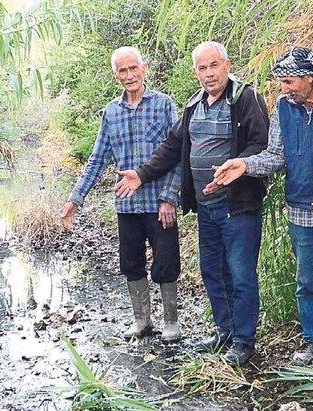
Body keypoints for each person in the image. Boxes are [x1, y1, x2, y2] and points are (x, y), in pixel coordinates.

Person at [208, 47, 313, 382]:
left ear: (310, 78)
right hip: (302, 212)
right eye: (282, 82)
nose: (284, 88)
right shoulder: (284, 107)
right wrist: (244, 165)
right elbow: (276, 154)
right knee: (306, 283)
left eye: (289, 81)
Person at [114, 41, 269, 366]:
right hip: (205, 206)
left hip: (238, 206)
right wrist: (141, 175)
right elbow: (172, 148)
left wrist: (235, 166)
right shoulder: (194, 104)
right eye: (202, 68)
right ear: (194, 72)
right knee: (212, 270)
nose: (209, 73)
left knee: (241, 274)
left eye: (214, 65)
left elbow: (260, 143)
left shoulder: (246, 99)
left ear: (227, 65)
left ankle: (244, 342)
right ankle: (225, 330)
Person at [60, 46, 182, 343]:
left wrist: (169, 197)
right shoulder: (111, 112)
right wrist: (74, 200)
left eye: (133, 69)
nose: (129, 76)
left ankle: (171, 322)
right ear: (115, 75)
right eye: (122, 71)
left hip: (158, 202)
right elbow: (98, 159)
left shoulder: (164, 105)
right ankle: (142, 320)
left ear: (144, 69)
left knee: (166, 262)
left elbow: (178, 153)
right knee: (131, 262)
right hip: (126, 204)